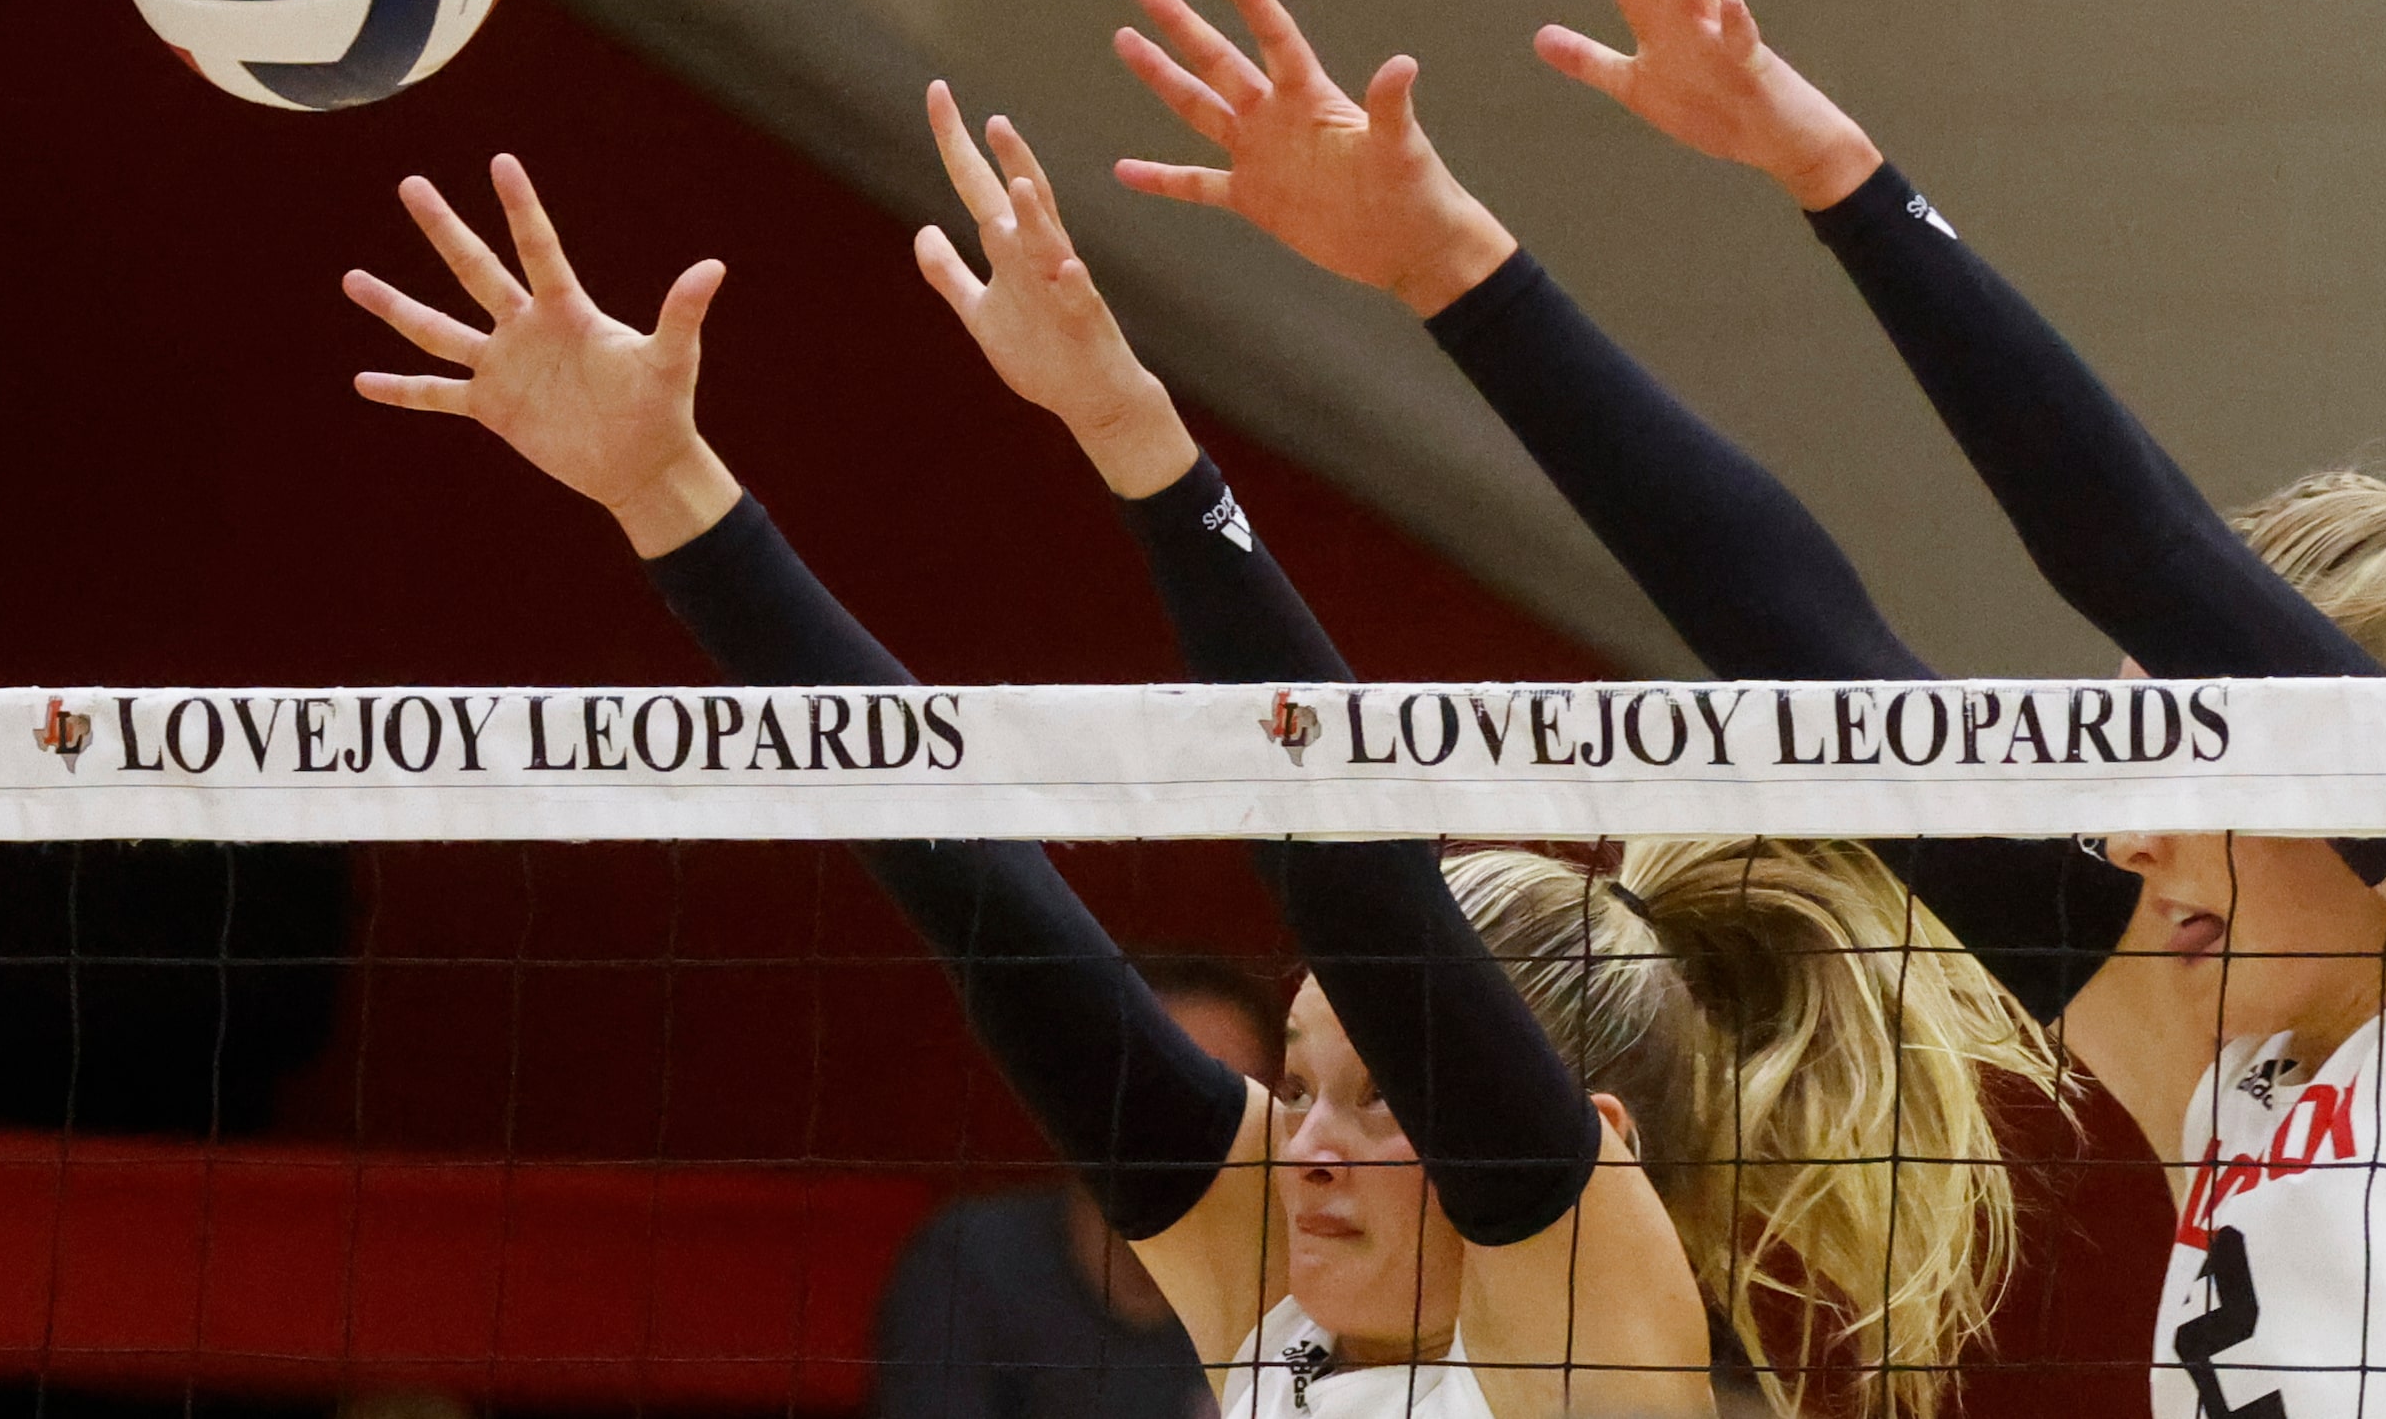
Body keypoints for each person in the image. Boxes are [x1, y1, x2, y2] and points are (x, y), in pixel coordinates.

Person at [1103, 0, 2386, 1414]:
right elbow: (1818, 660)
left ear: (2346, 765)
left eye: (2185, 762)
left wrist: (1829, 165)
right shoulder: (2218, 1066)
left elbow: (2129, 545)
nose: (2130, 837)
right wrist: (1449, 268)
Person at [337, 90, 2060, 1418]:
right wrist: (668, 494)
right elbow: (980, 894)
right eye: (1300, 1077)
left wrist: (1138, 439)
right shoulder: (1271, 1284)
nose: (1300, 1138)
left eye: (1377, 1097)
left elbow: (1355, 871)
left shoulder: (1587, 1331)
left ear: (1576, 1135)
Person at [872, 954, 1281, 1419]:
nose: (1197, 1128)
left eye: (1230, 1098)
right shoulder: (970, 1263)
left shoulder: (1300, 1285)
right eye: (1165, 1092)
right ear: (1089, 1099)